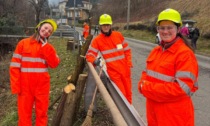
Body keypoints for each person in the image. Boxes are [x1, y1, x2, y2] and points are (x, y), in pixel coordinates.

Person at [138, 8, 198, 126]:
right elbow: (145, 74)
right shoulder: (156, 51)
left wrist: (146, 88)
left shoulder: (185, 54)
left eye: (169, 27)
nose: (165, 31)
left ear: (178, 29)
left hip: (174, 117)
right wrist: (142, 84)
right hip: (154, 112)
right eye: (162, 28)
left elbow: (181, 89)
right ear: (158, 29)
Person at [10, 19, 60, 126]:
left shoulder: (48, 48)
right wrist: (16, 86)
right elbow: (14, 67)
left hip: (42, 87)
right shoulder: (23, 44)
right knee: (24, 116)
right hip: (25, 87)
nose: (46, 31)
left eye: (49, 31)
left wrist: (46, 48)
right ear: (39, 27)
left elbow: (54, 64)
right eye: (45, 28)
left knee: (42, 115)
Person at [86, 14, 133, 104]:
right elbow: (90, 55)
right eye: (104, 25)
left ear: (110, 25)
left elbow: (127, 51)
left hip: (125, 70)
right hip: (114, 73)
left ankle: (128, 114)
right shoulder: (97, 40)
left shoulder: (118, 35)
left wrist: (129, 63)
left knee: (129, 94)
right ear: (101, 26)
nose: (106, 27)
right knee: (122, 96)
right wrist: (94, 60)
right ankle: (123, 115)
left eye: (107, 25)